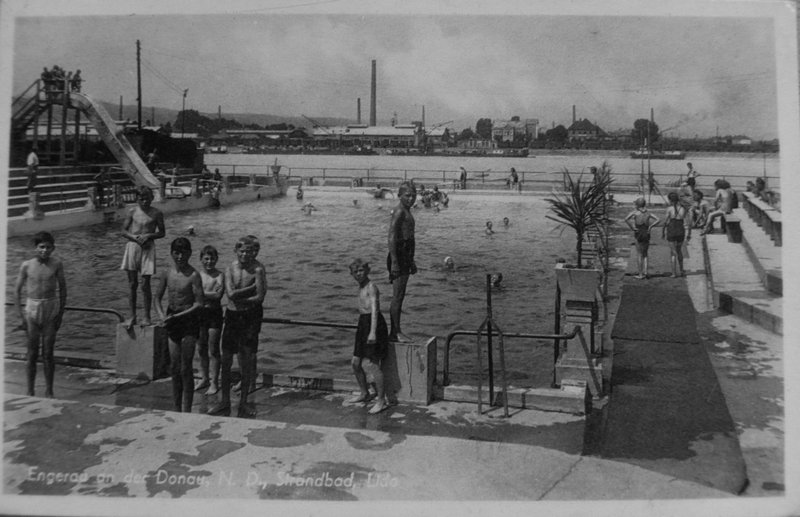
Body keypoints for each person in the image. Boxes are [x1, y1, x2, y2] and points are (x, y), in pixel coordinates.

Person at [209, 236, 267, 418]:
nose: (245, 254)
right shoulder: (230, 268)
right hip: (233, 316)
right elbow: (230, 294)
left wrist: (238, 295)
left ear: (254, 252)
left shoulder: (258, 269)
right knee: (226, 358)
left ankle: (244, 402)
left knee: (247, 357)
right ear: (236, 251)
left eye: (249, 251)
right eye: (242, 251)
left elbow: (260, 298)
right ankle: (224, 400)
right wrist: (248, 290)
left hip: (250, 316)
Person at [15, 231, 67, 398]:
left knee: (48, 353)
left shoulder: (57, 264)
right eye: (41, 247)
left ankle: (49, 391)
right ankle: (30, 390)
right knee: (31, 353)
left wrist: (60, 314)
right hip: (32, 308)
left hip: (50, 307)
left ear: (53, 248)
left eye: (48, 247)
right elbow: (17, 291)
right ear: (36, 247)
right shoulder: (26, 265)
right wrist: (21, 317)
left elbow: (63, 289)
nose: (44, 250)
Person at [154, 238, 204, 413]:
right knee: (174, 367)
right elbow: (157, 298)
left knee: (186, 367)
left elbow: (199, 303)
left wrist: (177, 316)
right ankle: (176, 408)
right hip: (172, 320)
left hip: (188, 321)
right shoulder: (167, 273)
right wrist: (162, 316)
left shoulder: (193, 275)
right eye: (176, 253)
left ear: (190, 253)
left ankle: (188, 409)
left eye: (184, 253)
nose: (180, 256)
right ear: (171, 253)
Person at [347, 259, 390, 414]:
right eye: (355, 272)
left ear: (367, 271)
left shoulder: (371, 287)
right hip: (363, 323)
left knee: (373, 364)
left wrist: (372, 332)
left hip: (374, 323)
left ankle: (381, 400)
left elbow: (374, 310)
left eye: (361, 270)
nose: (359, 274)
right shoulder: (361, 287)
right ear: (352, 275)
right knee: (355, 363)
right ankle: (364, 393)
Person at [120, 186, 165, 329]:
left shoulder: (157, 213)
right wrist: (134, 237)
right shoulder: (132, 211)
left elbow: (162, 232)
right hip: (133, 247)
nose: (144, 201)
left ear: (152, 198)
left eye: (147, 198)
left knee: (145, 285)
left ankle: (146, 316)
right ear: (136, 199)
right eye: (141, 199)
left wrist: (149, 235)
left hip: (148, 248)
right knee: (132, 284)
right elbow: (123, 231)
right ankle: (132, 316)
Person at [387, 182, 417, 343]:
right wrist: (394, 262)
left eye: (413, 195)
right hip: (398, 255)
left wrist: (411, 261)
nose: (411, 198)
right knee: (397, 295)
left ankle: (397, 330)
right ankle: (395, 332)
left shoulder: (407, 211)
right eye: (407, 195)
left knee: (401, 295)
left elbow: (410, 238)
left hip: (405, 255)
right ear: (399, 196)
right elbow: (391, 237)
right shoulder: (399, 212)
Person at [194, 245, 224, 395]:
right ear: (201, 259)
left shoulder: (220, 275)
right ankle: (204, 377)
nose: (209, 261)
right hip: (200, 314)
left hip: (214, 314)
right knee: (201, 348)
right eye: (206, 258)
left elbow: (218, 296)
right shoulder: (197, 275)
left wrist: (201, 293)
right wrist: (208, 293)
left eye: (212, 258)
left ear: (216, 259)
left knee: (213, 349)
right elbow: (194, 295)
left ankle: (214, 382)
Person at [624, 197, 660, 280]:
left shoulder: (635, 212)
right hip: (646, 232)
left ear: (637, 205)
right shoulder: (648, 213)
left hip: (638, 232)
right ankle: (646, 272)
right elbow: (658, 219)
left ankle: (640, 274)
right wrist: (651, 226)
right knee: (645, 254)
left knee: (639, 254)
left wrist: (632, 227)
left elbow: (626, 219)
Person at [663, 191, 690, 278]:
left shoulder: (669, 209)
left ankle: (674, 273)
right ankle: (681, 270)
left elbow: (665, 222)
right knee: (679, 251)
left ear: (670, 200)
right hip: (680, 230)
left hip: (671, 230)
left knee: (673, 252)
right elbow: (688, 223)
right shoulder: (683, 209)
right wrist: (689, 234)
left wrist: (663, 232)